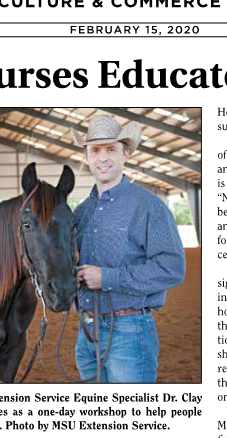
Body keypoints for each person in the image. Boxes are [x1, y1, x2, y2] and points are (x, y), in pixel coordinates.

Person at [71, 113, 187, 382]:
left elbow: (172, 268)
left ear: (126, 153)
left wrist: (106, 277)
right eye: (95, 150)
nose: (103, 157)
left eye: (111, 149)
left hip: (129, 330)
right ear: (86, 155)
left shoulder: (148, 206)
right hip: (86, 332)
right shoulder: (82, 213)